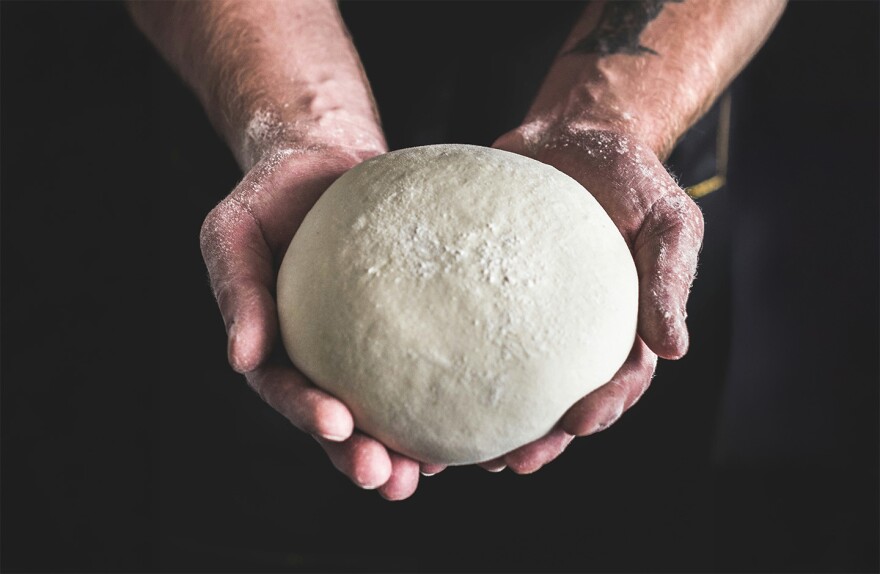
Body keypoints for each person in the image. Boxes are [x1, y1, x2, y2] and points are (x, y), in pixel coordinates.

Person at [128, 0, 786, 501]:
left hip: (636, 113)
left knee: (631, 517)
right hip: (257, 84)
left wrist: (607, 119)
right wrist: (297, 121)